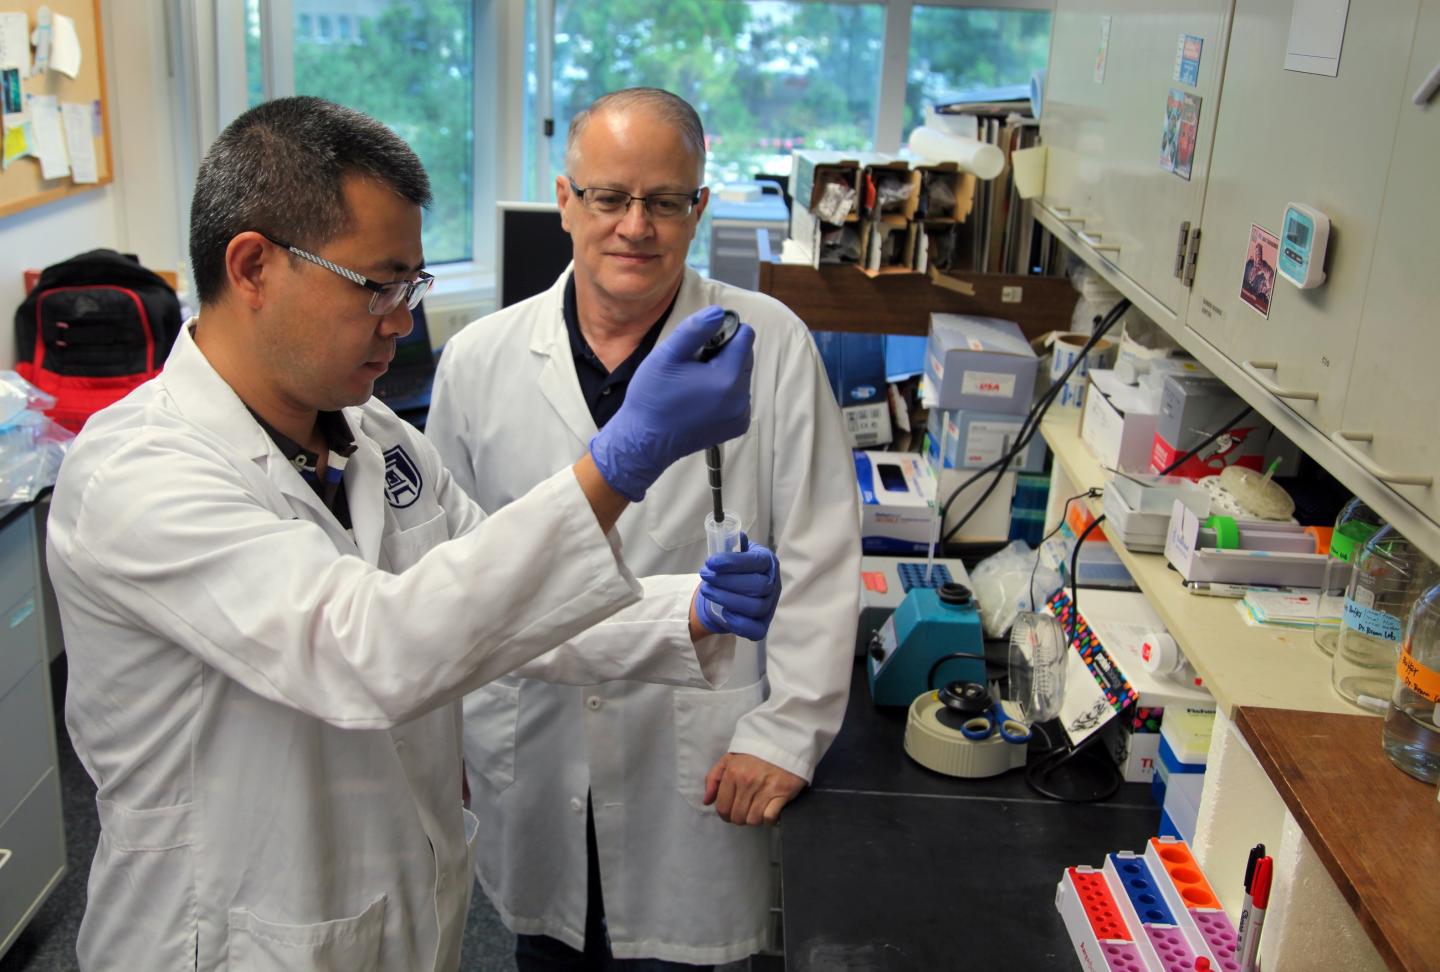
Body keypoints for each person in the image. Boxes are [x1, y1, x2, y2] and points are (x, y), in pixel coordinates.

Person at [45, 96, 780, 972]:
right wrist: (616, 465)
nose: (404, 319)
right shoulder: (137, 474)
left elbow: (492, 609)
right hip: (228, 936)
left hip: (398, 913)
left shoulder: (377, 439)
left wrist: (686, 611)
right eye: (379, 285)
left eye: (413, 286)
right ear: (252, 267)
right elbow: (368, 649)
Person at [427, 87, 860, 969]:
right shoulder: (481, 359)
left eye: (665, 201)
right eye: (609, 198)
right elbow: (446, 572)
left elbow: (820, 552)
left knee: (684, 959)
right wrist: (442, 743)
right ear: (564, 200)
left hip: (701, 748)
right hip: (532, 739)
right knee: (545, 949)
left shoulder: (768, 342)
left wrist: (788, 732)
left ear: (698, 208)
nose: (636, 226)